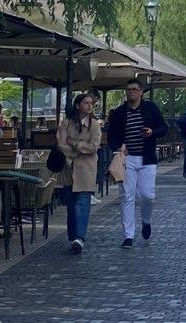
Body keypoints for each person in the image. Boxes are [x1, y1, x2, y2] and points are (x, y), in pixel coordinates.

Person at [107, 78, 169, 248]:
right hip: (127, 159)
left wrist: (152, 132)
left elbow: (164, 128)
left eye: (134, 89)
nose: (131, 92)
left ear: (141, 92)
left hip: (147, 158)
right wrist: (117, 148)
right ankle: (128, 235)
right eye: (128, 89)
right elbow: (111, 135)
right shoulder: (119, 112)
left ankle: (146, 220)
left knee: (147, 195)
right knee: (127, 196)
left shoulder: (150, 108)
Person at [57, 93, 103, 254]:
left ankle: (79, 238)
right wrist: (79, 150)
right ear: (78, 105)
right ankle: (74, 236)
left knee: (82, 203)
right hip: (68, 168)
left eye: (91, 103)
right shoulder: (66, 123)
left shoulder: (95, 125)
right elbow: (61, 144)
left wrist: (75, 144)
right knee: (71, 205)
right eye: (86, 103)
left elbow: (94, 147)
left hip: (86, 169)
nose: (90, 106)